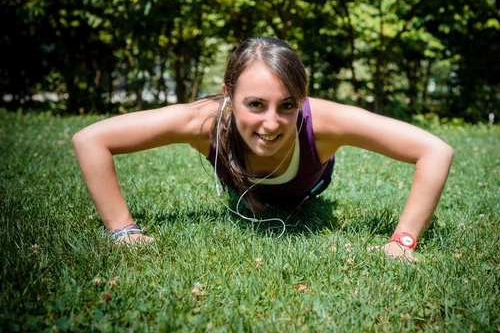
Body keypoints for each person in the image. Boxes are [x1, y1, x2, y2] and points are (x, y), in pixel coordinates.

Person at [72, 37, 454, 261]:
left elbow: (434, 150)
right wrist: (122, 231)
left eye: (287, 105)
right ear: (228, 95)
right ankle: (245, 190)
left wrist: (403, 241)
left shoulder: (327, 123)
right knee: (244, 184)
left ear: (301, 99)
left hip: (307, 185)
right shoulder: (202, 122)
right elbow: (91, 139)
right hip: (239, 174)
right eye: (255, 104)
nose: (271, 123)